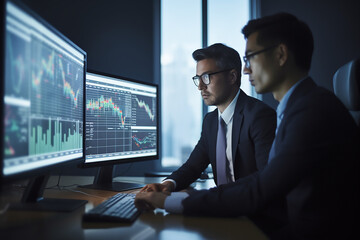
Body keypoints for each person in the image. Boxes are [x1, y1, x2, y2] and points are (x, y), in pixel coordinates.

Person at [135, 13, 360, 240]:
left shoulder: (310, 112)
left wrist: (169, 202)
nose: (246, 69)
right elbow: (206, 168)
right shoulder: (300, 107)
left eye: (251, 57)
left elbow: (262, 188)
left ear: (280, 54)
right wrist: (168, 188)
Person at [141, 43, 276, 193]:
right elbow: (193, 167)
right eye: (198, 78)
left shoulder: (259, 116)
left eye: (206, 77)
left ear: (232, 76)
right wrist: (168, 184)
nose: (200, 86)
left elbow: (266, 180)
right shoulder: (210, 121)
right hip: (222, 208)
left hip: (251, 211)